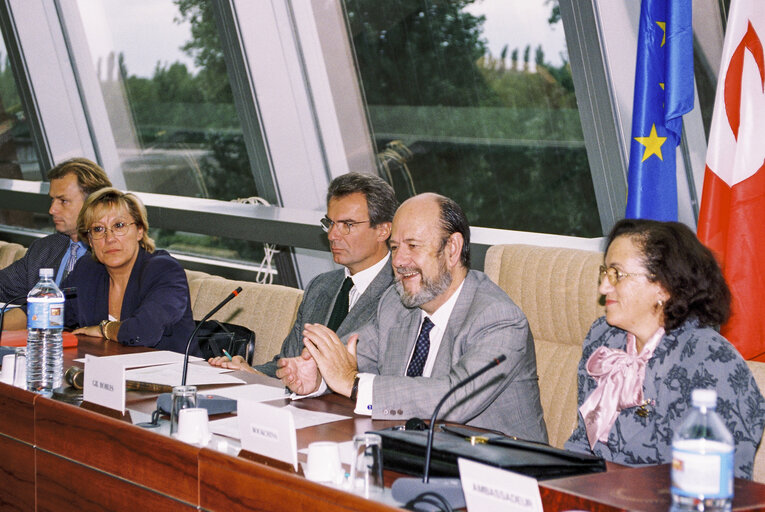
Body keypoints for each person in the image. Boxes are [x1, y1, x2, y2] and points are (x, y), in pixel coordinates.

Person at [279, 193, 548, 440]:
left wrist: (353, 383)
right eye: (395, 248)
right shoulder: (396, 304)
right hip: (413, 457)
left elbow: (452, 399)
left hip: (500, 476)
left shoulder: (498, 319)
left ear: (452, 249)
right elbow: (350, 356)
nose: (398, 261)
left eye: (413, 246)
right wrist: (316, 375)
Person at [564, 219, 765, 479]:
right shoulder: (603, 338)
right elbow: (582, 444)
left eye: (617, 275)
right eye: (605, 273)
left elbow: (719, 482)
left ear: (662, 286)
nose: (603, 287)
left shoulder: (712, 362)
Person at [208, 172, 397, 376]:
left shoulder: (400, 295)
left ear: (383, 230)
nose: (332, 235)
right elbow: (286, 363)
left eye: (347, 225)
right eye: (330, 223)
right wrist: (250, 372)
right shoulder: (320, 287)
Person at [63, 188, 195, 354]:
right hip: (105, 373)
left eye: (119, 226)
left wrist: (104, 329)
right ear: (89, 240)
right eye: (98, 229)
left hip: (168, 376)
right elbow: (51, 310)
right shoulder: (87, 269)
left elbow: (144, 332)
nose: (109, 238)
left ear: (139, 231)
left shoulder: (164, 270)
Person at [0, 158, 112, 323]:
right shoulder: (45, 248)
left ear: (93, 204)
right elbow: (4, 285)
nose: (52, 209)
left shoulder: (112, 254)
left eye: (63, 201)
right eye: (52, 200)